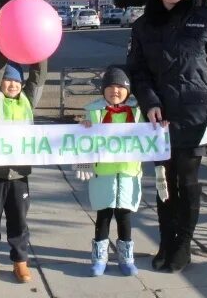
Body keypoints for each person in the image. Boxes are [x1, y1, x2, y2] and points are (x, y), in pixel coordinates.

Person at [127, 0, 207, 273]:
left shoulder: (206, 20)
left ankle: (183, 246)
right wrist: (149, 102)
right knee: (164, 181)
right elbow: (137, 72)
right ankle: (166, 242)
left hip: (194, 116)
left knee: (187, 181)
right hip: (158, 120)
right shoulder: (142, 25)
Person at [0, 49, 47, 284]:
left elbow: (38, 78)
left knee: (19, 221)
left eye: (17, 80)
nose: (13, 84)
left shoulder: (27, 101)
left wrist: (39, 50)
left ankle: (20, 262)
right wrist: (3, 51)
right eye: (8, 80)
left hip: (19, 176)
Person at [76, 66, 143, 277]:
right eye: (110, 87)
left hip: (128, 172)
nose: (115, 91)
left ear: (128, 90)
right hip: (103, 173)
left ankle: (126, 257)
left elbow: (150, 135)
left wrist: (161, 128)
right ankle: (99, 257)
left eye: (120, 87)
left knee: (124, 216)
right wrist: (83, 129)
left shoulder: (137, 112)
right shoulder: (94, 112)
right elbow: (82, 139)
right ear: (103, 90)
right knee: (103, 216)